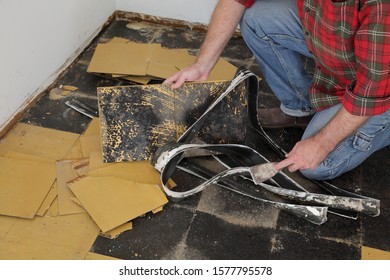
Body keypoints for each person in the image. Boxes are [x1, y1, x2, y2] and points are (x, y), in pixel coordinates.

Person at [163, 0, 390, 180]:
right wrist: (201, 65)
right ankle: (299, 109)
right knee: (257, 19)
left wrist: (321, 143)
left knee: (318, 166)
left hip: (380, 84)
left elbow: (372, 88)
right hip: (350, 51)